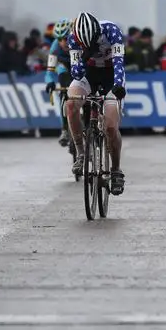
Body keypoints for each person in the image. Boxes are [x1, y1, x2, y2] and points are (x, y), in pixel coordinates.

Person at [60, 11, 128, 194]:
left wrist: (118, 87)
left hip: (111, 74)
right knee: (71, 104)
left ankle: (115, 171)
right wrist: (84, 55)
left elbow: (119, 64)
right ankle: (81, 153)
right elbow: (76, 73)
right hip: (88, 74)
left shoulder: (112, 31)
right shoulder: (73, 38)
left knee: (111, 127)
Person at [44, 18, 74, 148]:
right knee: (63, 87)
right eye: (60, 39)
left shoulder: (80, 43)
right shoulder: (55, 47)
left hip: (79, 63)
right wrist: (50, 82)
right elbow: (49, 71)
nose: (63, 42)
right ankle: (65, 130)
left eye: (66, 38)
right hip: (64, 66)